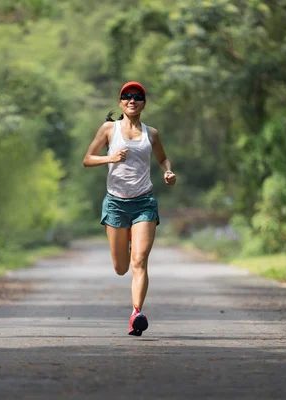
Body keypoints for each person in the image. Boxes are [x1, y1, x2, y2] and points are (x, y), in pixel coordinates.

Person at [83, 81, 176, 336]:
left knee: (139, 261)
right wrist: (109, 158)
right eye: (127, 96)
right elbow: (87, 159)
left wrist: (167, 171)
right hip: (115, 203)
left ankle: (136, 313)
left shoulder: (151, 133)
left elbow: (162, 158)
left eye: (137, 97)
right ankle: (124, 241)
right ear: (120, 102)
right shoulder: (108, 130)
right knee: (121, 267)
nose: (132, 100)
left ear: (144, 103)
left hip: (144, 202)